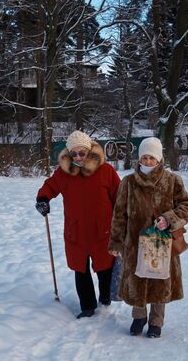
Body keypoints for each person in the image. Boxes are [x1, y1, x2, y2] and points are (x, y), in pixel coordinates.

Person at [108, 137, 188, 338]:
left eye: (151, 158)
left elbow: (187, 206)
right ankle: (138, 317)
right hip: (134, 243)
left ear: (159, 159)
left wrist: (168, 218)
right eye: (144, 157)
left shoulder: (172, 180)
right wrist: (116, 242)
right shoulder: (128, 182)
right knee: (137, 278)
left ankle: (156, 321)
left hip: (161, 242)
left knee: (159, 281)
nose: (147, 161)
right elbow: (119, 214)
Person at [35, 130, 121, 319]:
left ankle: (105, 299)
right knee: (80, 269)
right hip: (76, 230)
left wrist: (123, 219)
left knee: (105, 267)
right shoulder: (64, 173)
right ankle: (87, 306)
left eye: (82, 153)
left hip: (102, 229)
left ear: (89, 151)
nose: (78, 157)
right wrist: (43, 198)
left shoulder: (106, 171)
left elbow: (120, 197)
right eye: (73, 154)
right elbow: (50, 186)